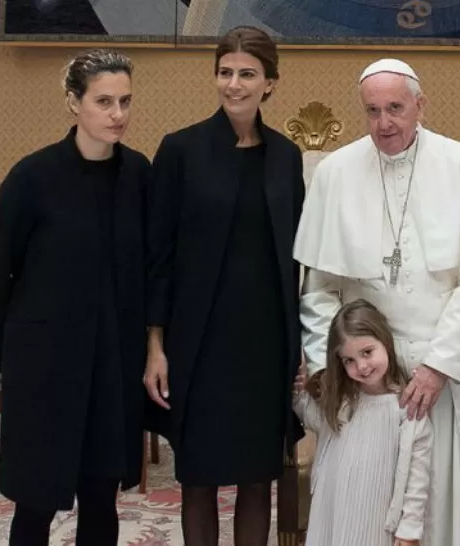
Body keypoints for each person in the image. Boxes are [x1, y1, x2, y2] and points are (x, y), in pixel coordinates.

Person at [294, 58, 460, 546]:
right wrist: (324, 369)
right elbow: (319, 290)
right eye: (372, 111)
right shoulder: (335, 173)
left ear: (421, 104)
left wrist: (439, 365)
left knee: (451, 501)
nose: (384, 124)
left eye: (395, 108)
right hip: (369, 380)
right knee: (369, 505)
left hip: (449, 369)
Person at [0, 49, 149, 546]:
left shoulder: (139, 175)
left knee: (101, 499)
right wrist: (10, 355)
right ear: (74, 103)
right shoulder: (31, 178)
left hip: (111, 368)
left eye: (125, 101)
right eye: (104, 102)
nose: (118, 114)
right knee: (34, 503)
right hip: (45, 369)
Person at [143, 26, 305, 546]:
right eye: (225, 72)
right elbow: (158, 258)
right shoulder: (179, 150)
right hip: (198, 343)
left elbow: (297, 258)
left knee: (259, 477)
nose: (233, 84)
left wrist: (301, 348)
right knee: (199, 478)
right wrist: (156, 346)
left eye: (247, 74)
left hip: (264, 346)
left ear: (270, 83)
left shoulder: (285, 156)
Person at [294, 299, 433, 546]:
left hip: (375, 520)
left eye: (367, 352)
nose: (362, 366)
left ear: (385, 342)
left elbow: (417, 473)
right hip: (333, 511)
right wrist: (298, 394)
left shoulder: (406, 406)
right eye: (349, 360)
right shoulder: (341, 402)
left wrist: (410, 528)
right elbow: (315, 419)